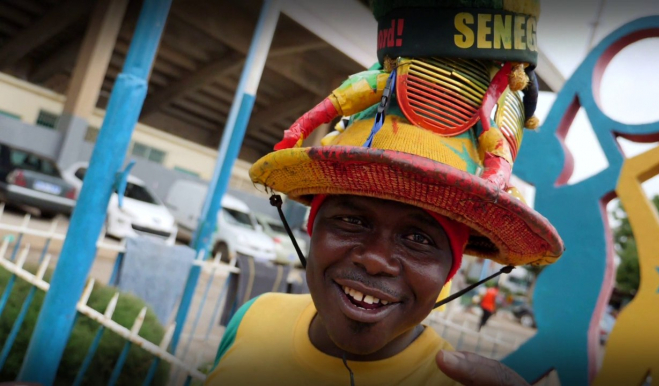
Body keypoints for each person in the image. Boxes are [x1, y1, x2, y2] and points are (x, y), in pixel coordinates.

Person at [207, 1, 563, 385]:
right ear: (313, 226)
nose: (376, 260)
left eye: (418, 238)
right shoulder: (252, 319)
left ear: (451, 267)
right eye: (350, 220)